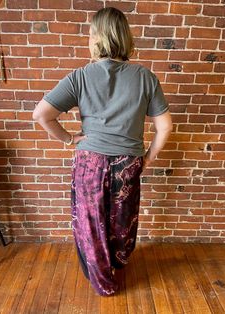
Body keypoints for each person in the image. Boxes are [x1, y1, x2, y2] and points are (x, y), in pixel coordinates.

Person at [33, 7, 173, 296]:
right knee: (123, 218)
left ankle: (103, 280)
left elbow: (41, 115)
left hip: (90, 162)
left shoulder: (80, 77)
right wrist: (147, 158)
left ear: (95, 37)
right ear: (126, 37)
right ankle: (118, 263)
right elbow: (165, 127)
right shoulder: (146, 78)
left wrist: (69, 139)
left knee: (91, 222)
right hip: (128, 162)